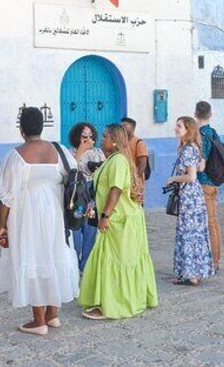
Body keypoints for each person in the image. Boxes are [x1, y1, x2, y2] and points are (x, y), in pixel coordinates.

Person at [0, 107, 80, 336]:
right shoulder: (60, 150)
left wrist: (2, 226)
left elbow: (6, 197)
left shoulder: (15, 156)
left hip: (27, 216)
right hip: (55, 214)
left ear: (21, 129)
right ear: (42, 126)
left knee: (33, 258)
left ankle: (38, 320)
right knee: (54, 256)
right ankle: (53, 315)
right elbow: (72, 176)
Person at [79, 124, 158, 320]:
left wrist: (105, 216)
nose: (101, 140)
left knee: (115, 260)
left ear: (114, 140)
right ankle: (115, 298)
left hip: (119, 218)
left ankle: (112, 304)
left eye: (104, 136)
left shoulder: (117, 162)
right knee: (116, 258)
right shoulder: (113, 160)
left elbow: (115, 190)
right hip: (121, 216)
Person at [166, 117, 215, 286]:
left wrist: (173, 178)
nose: (176, 128)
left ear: (188, 129)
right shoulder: (195, 147)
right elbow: (200, 167)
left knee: (187, 233)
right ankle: (196, 271)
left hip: (189, 197)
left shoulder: (187, 149)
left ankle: (190, 274)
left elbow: (191, 176)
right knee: (196, 234)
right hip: (196, 196)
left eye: (179, 126)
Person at [67, 122, 105, 271]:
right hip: (77, 193)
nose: (88, 138)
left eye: (90, 135)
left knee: (90, 228)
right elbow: (71, 169)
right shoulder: (70, 152)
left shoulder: (97, 152)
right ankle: (74, 262)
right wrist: (81, 150)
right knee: (76, 227)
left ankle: (86, 264)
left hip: (92, 191)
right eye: (84, 136)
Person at [194, 101, 222, 271]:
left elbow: (201, 163)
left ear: (195, 113)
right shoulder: (213, 133)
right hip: (214, 182)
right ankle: (216, 258)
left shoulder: (201, 135)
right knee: (214, 221)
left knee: (209, 222)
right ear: (210, 114)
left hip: (203, 182)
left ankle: (214, 260)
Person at [121, 117, 148, 205]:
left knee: (136, 205)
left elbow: (142, 165)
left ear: (132, 128)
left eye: (125, 125)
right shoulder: (122, 143)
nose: (122, 128)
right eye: (121, 126)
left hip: (135, 182)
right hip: (124, 180)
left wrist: (134, 180)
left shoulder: (139, 143)